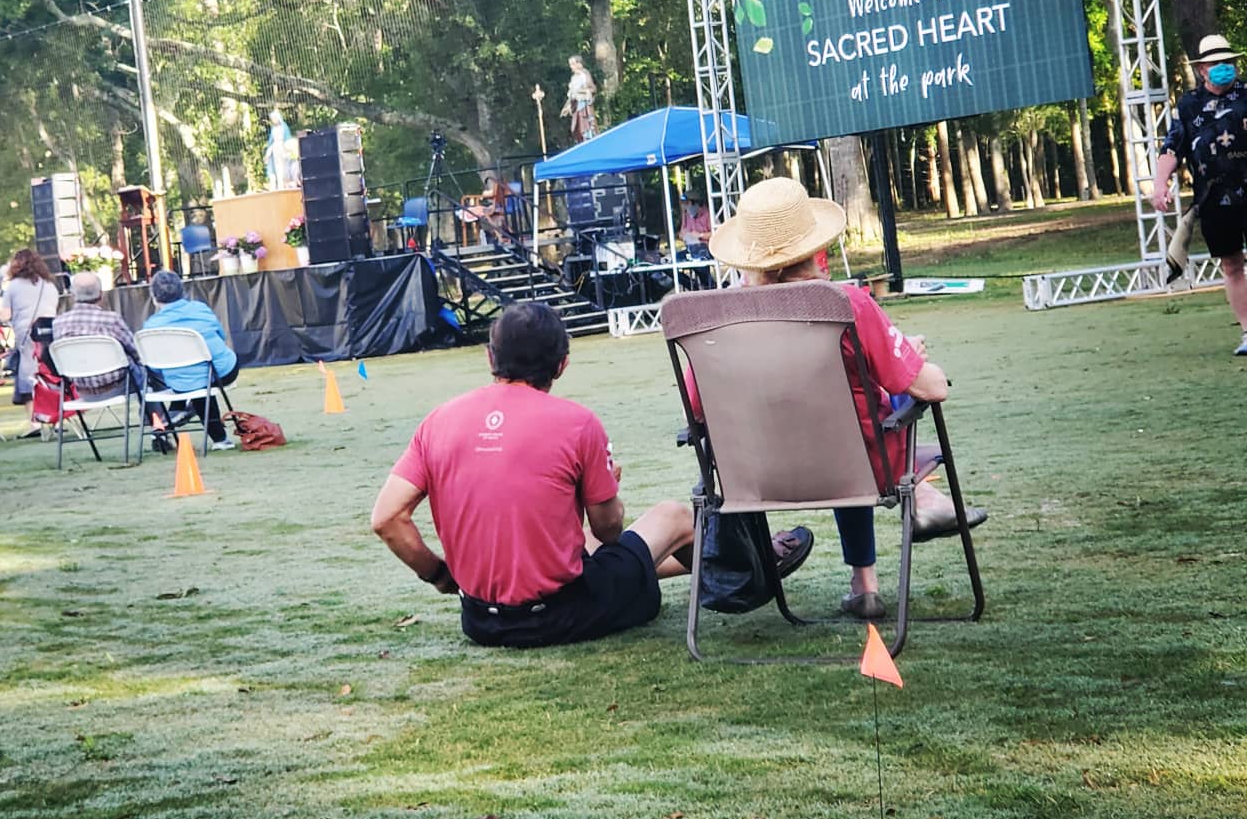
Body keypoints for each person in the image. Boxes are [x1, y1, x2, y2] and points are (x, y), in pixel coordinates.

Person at [706, 177, 987, 621]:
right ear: (811, 245)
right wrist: (907, 356)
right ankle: (925, 502)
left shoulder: (717, 320)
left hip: (754, 477)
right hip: (859, 466)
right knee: (862, 416)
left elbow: (698, 408)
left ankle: (865, 585)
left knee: (838, 418)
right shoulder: (848, 304)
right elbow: (933, 389)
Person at [373, 302, 704, 649]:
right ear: (562, 365)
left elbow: (386, 518)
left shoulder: (438, 421)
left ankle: (709, 572)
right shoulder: (577, 423)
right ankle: (739, 583)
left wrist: (440, 576)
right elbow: (609, 531)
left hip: (480, 620)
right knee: (675, 517)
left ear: (490, 358)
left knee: (587, 546)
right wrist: (607, 492)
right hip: (564, 614)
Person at [1153, 33, 1247, 354]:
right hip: (1214, 199)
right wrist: (1159, 185)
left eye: (1228, 61)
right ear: (1203, 68)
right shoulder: (1189, 105)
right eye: (1216, 62)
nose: (1223, 67)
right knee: (1232, 265)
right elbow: (1171, 149)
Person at [141, 270, 236, 450]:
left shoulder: (151, 326)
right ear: (182, 290)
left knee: (194, 381)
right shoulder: (201, 309)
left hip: (182, 380)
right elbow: (221, 337)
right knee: (201, 381)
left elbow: (153, 364)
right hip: (221, 371)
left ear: (153, 296)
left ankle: (173, 418)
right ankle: (219, 439)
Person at [51, 271, 143, 400]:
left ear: (72, 295)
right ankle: (154, 417)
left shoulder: (58, 323)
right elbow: (137, 351)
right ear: (101, 294)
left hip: (81, 390)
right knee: (143, 366)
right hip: (119, 387)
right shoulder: (111, 320)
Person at [0, 249, 60, 404]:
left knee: (27, 374)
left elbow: (5, 315)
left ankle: (34, 420)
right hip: (50, 333)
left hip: (26, 334)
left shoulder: (13, 286)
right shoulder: (50, 285)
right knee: (50, 370)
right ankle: (55, 410)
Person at [560, 55, 598, 144]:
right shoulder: (574, 78)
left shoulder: (584, 75)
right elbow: (572, 94)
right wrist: (567, 106)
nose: (571, 66)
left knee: (585, 126)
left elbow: (592, 89)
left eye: (573, 64)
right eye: (570, 64)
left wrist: (582, 91)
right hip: (576, 106)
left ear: (579, 64)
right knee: (576, 128)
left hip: (584, 105)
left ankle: (588, 140)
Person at [678, 189, 713, 257]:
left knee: (699, 257)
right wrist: (684, 235)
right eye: (684, 204)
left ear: (697, 203)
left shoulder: (709, 215)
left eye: (687, 203)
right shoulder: (686, 215)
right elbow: (681, 234)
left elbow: (717, 233)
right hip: (691, 248)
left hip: (707, 248)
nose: (685, 207)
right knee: (677, 257)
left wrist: (700, 235)